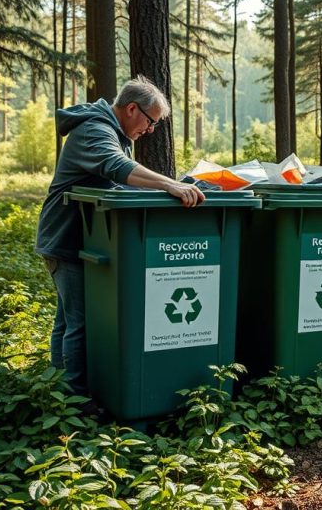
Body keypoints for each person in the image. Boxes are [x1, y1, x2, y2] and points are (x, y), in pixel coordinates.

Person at [35, 76, 205, 396]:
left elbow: (123, 179)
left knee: (68, 320)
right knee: (79, 322)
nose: (151, 130)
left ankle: (58, 389)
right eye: (150, 121)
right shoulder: (94, 130)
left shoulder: (114, 132)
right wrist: (170, 184)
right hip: (66, 238)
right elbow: (116, 166)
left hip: (81, 239)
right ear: (131, 109)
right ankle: (73, 399)